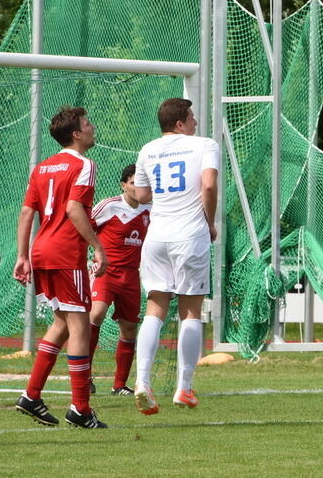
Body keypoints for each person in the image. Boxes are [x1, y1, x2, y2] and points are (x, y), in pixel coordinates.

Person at [13, 106, 108, 428]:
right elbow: (73, 209)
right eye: (87, 123)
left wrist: (22, 256)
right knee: (80, 326)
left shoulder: (41, 167)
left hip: (41, 251)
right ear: (76, 134)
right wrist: (97, 247)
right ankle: (80, 408)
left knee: (61, 323)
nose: (93, 127)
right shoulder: (84, 164)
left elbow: (27, 213)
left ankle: (31, 395)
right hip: (66, 253)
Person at [132, 98, 219, 415]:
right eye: (192, 117)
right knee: (191, 311)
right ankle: (184, 387)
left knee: (155, 308)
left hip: (156, 237)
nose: (195, 122)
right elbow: (208, 185)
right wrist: (209, 222)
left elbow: (141, 195)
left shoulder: (147, 150)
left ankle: (142, 382)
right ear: (180, 123)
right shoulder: (205, 145)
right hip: (189, 235)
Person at [87, 164, 151, 395]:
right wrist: (92, 254)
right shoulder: (109, 205)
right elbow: (84, 227)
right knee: (96, 314)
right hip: (106, 271)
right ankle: (85, 375)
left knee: (129, 327)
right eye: (133, 182)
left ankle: (119, 385)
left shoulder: (150, 209)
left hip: (132, 275)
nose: (137, 187)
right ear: (123, 184)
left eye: (141, 183)